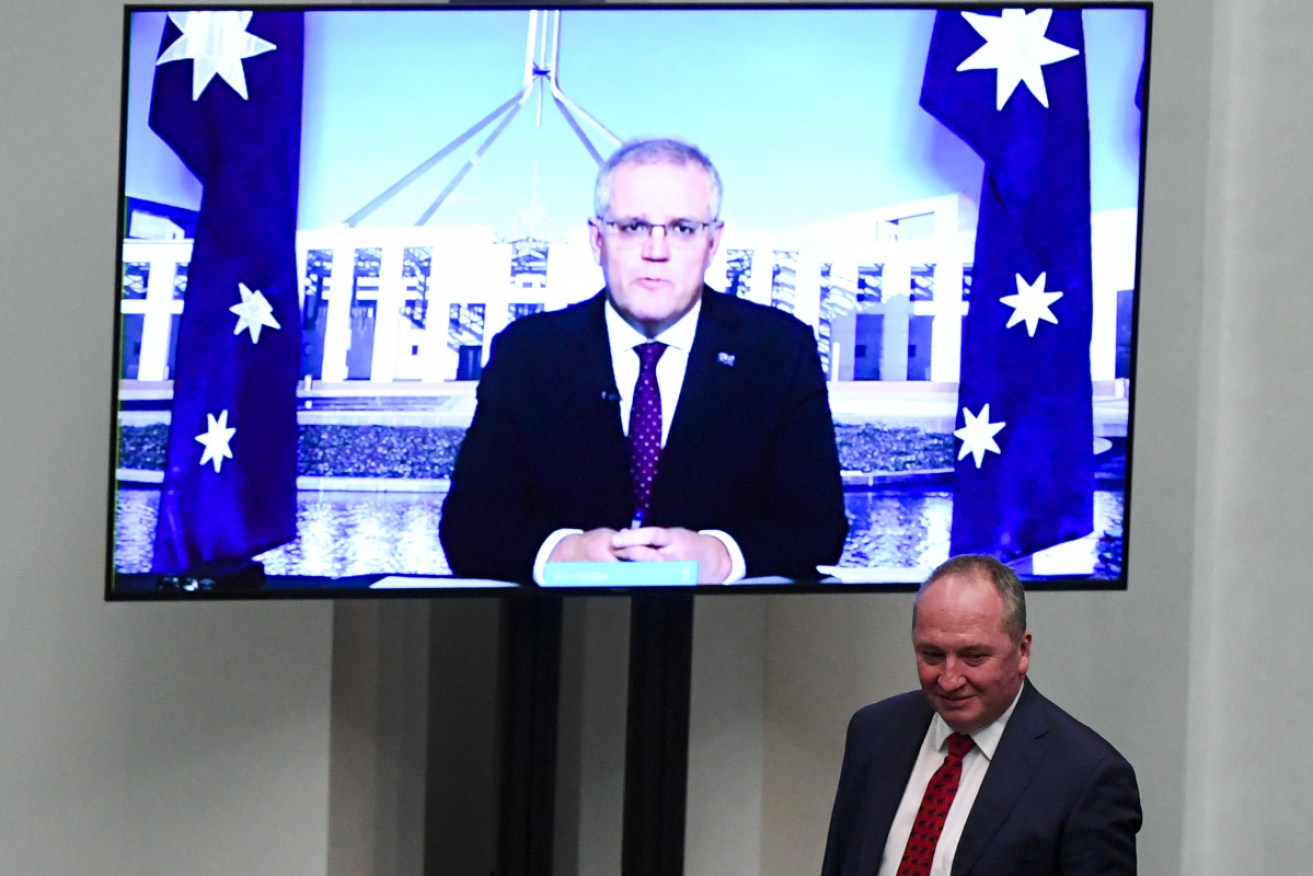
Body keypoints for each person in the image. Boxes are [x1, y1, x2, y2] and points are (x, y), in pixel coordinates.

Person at [440, 138, 847, 583]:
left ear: (713, 242)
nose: (656, 250)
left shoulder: (779, 351)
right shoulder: (526, 354)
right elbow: (468, 527)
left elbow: (818, 527)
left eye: (683, 228)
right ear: (598, 239)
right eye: (633, 227)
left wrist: (720, 556)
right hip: (560, 638)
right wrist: (563, 554)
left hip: (725, 640)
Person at [822, 554, 1141, 875]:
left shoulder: (1086, 777)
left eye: (973, 657)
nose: (949, 679)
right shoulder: (874, 732)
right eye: (932, 655)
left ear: (1023, 651)